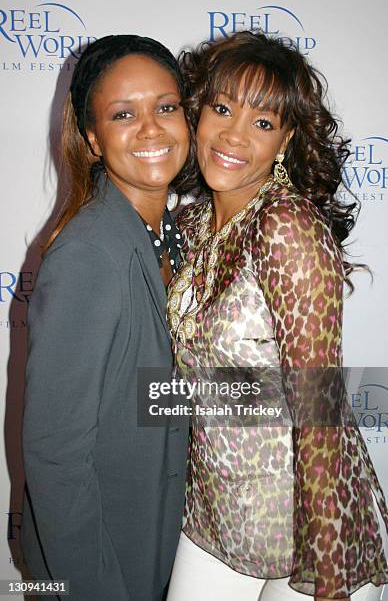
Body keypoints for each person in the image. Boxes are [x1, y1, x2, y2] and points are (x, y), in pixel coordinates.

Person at [166, 31, 388, 601]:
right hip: (218, 510)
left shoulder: (287, 227)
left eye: (263, 123)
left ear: (286, 140)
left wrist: (331, 568)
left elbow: (317, 398)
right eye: (221, 108)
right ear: (196, 116)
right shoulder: (190, 229)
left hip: (309, 521)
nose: (234, 134)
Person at [22, 34, 192, 601]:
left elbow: (156, 396)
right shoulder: (90, 253)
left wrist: (304, 397)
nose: (151, 129)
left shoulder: (170, 236)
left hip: (159, 540)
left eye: (166, 107)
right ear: (93, 139)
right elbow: (54, 453)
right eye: (124, 114)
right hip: (98, 564)